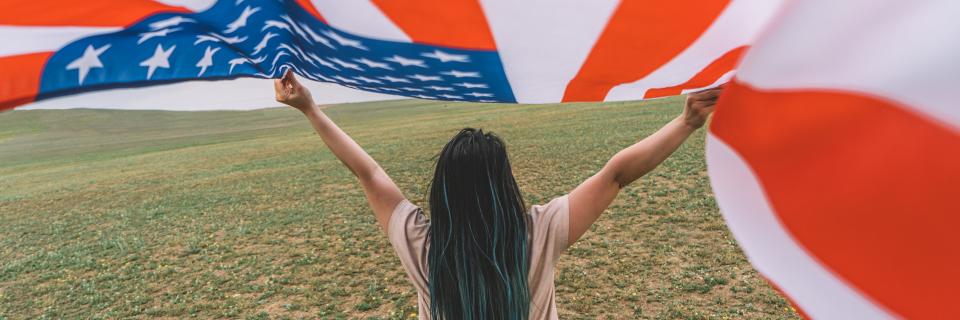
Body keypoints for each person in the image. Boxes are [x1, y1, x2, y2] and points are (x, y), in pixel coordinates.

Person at [273, 70, 722, 320]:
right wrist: (685, 122)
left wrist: (310, 107)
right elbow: (616, 175)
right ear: (503, 185)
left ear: (443, 190)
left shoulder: (423, 247)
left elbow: (369, 174)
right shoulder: (539, 231)